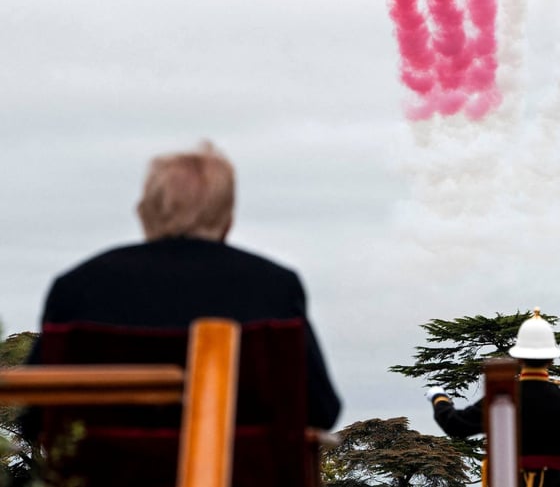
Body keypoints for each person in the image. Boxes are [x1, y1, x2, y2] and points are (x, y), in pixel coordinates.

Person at [30, 141, 341, 428]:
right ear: (227, 220)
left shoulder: (75, 287)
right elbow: (320, 410)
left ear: (144, 212)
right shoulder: (275, 287)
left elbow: (35, 416)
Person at [427, 309, 560, 487]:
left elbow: (455, 425)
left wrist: (439, 398)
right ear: (552, 359)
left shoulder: (501, 397)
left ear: (518, 358)